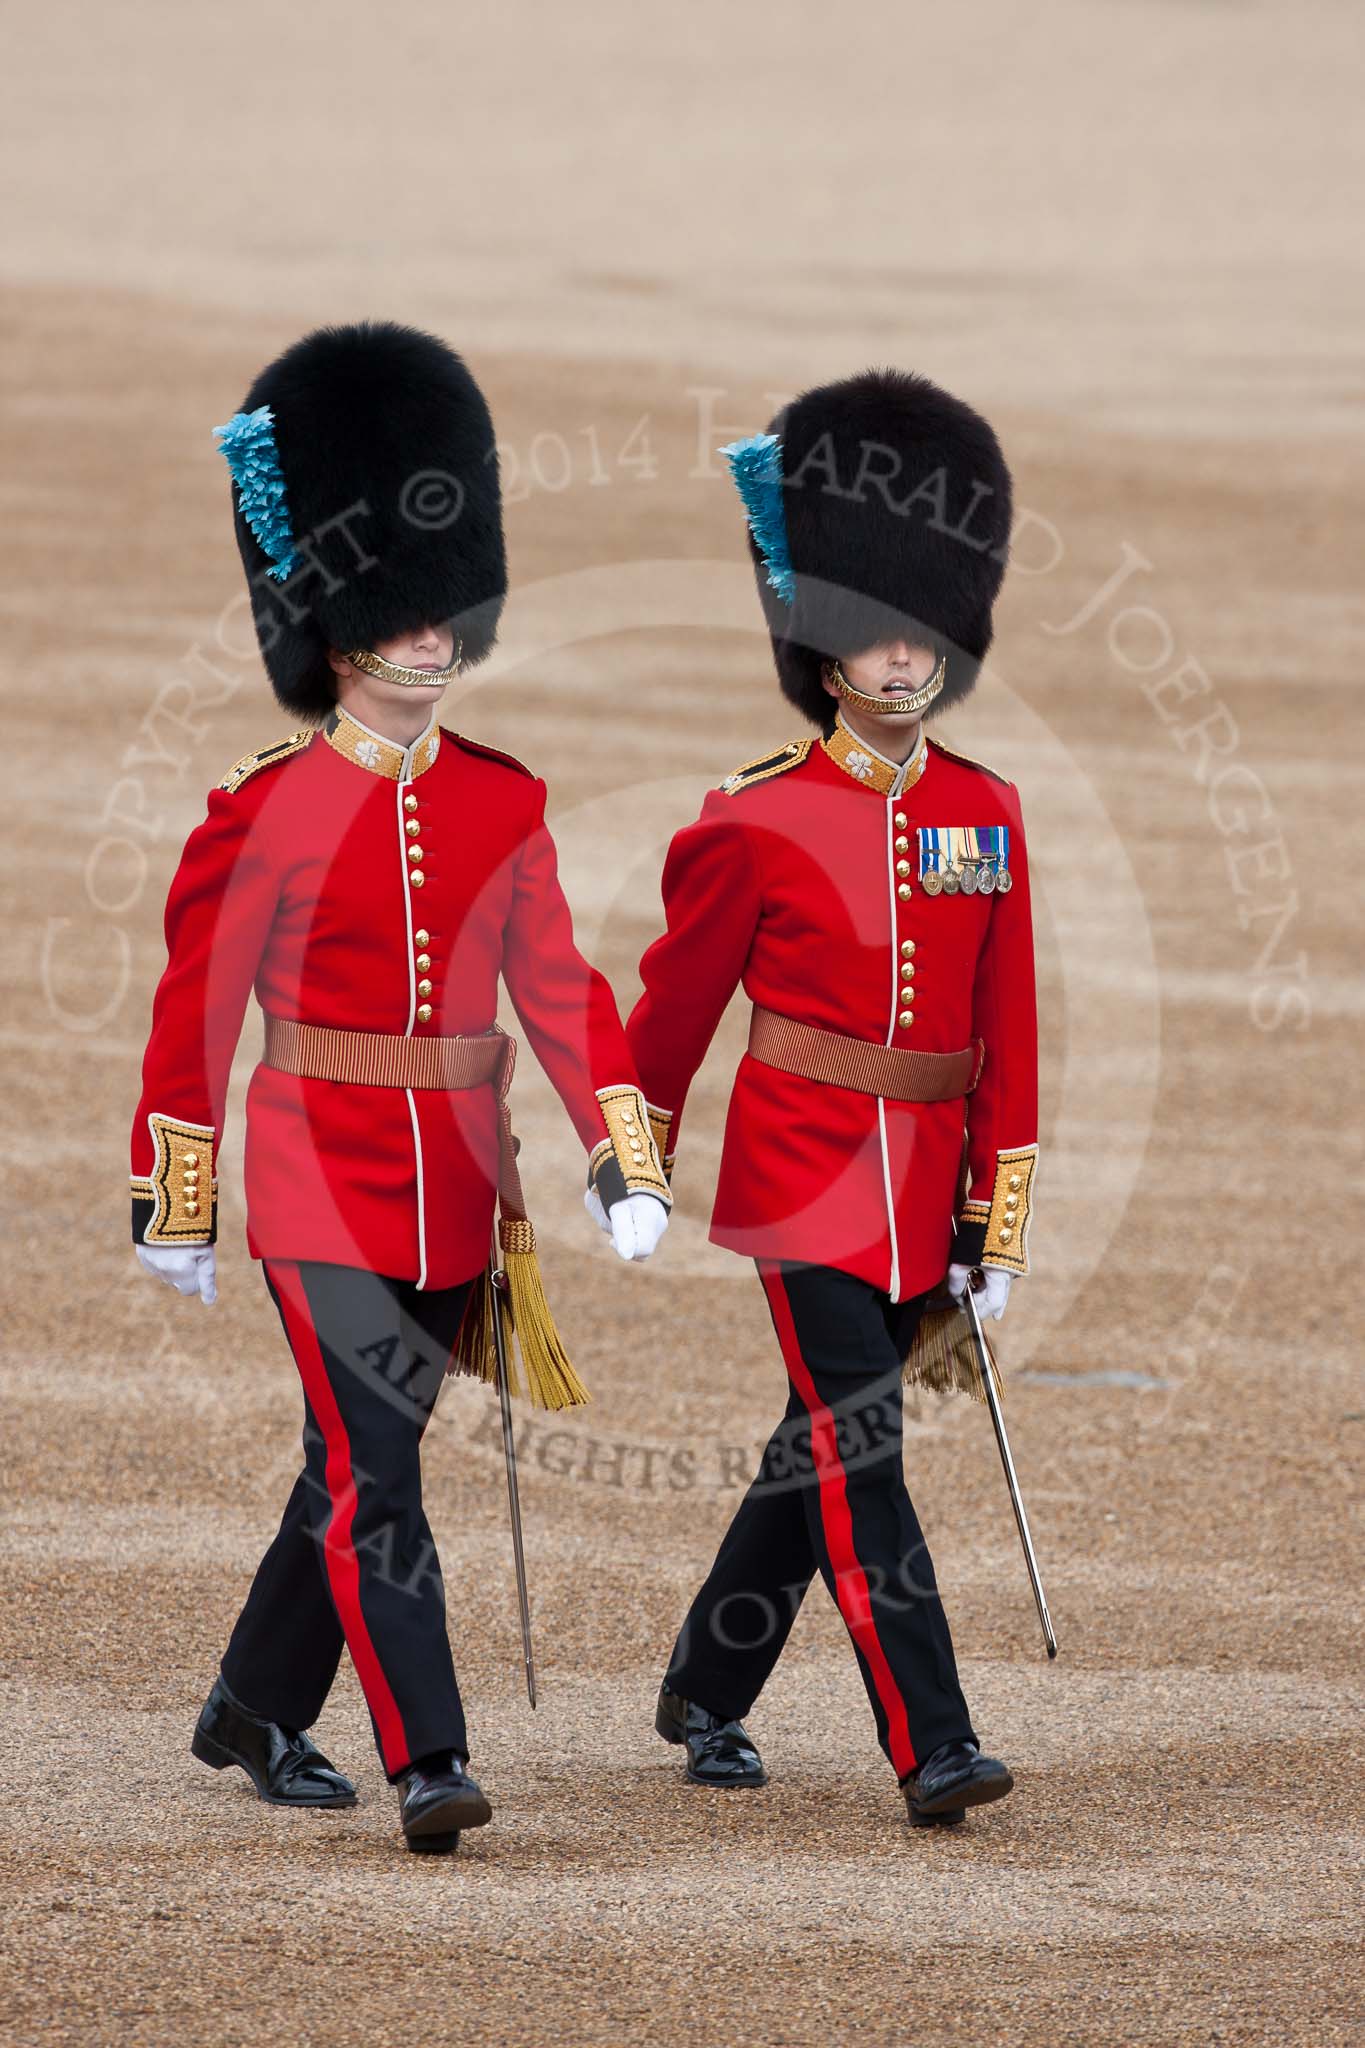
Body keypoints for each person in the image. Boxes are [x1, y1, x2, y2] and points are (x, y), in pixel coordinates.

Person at [130, 321, 670, 1854]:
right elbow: (197, 1016)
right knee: (375, 1471)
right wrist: (174, 1195)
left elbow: (560, 990)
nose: (429, 640)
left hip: (455, 1190)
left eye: (445, 613)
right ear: (331, 628)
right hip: (313, 1172)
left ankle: (251, 1705)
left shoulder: (502, 798)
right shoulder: (262, 813)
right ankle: (427, 1755)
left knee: (354, 1462)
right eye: (395, 616)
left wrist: (621, 1151)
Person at [627, 369, 1037, 1827]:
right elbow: (667, 1015)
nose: (903, 658)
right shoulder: (752, 820)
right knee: (860, 1451)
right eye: (869, 632)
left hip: (924, 1187)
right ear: (819, 649)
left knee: (813, 1449)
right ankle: (931, 1741)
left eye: (921, 629)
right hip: (800, 1179)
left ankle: (703, 1690)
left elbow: (1008, 1033)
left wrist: (994, 1220)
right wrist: (636, 1160)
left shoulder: (983, 812)